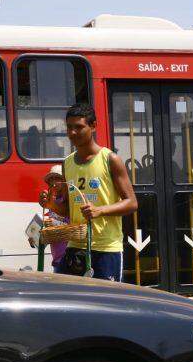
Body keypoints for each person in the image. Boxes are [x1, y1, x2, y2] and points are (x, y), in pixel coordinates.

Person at [39, 103, 138, 281]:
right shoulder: (67, 163)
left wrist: (100, 210)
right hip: (75, 245)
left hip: (106, 248)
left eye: (79, 127)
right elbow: (70, 209)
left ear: (93, 126)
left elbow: (132, 203)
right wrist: (51, 205)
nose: (72, 133)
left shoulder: (110, 159)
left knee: (106, 305)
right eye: (69, 128)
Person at [40, 165, 68, 273]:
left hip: (68, 258)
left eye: (57, 178)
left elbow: (75, 226)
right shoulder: (53, 202)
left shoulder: (69, 202)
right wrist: (37, 238)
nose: (54, 182)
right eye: (51, 179)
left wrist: (54, 224)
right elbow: (50, 232)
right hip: (57, 260)